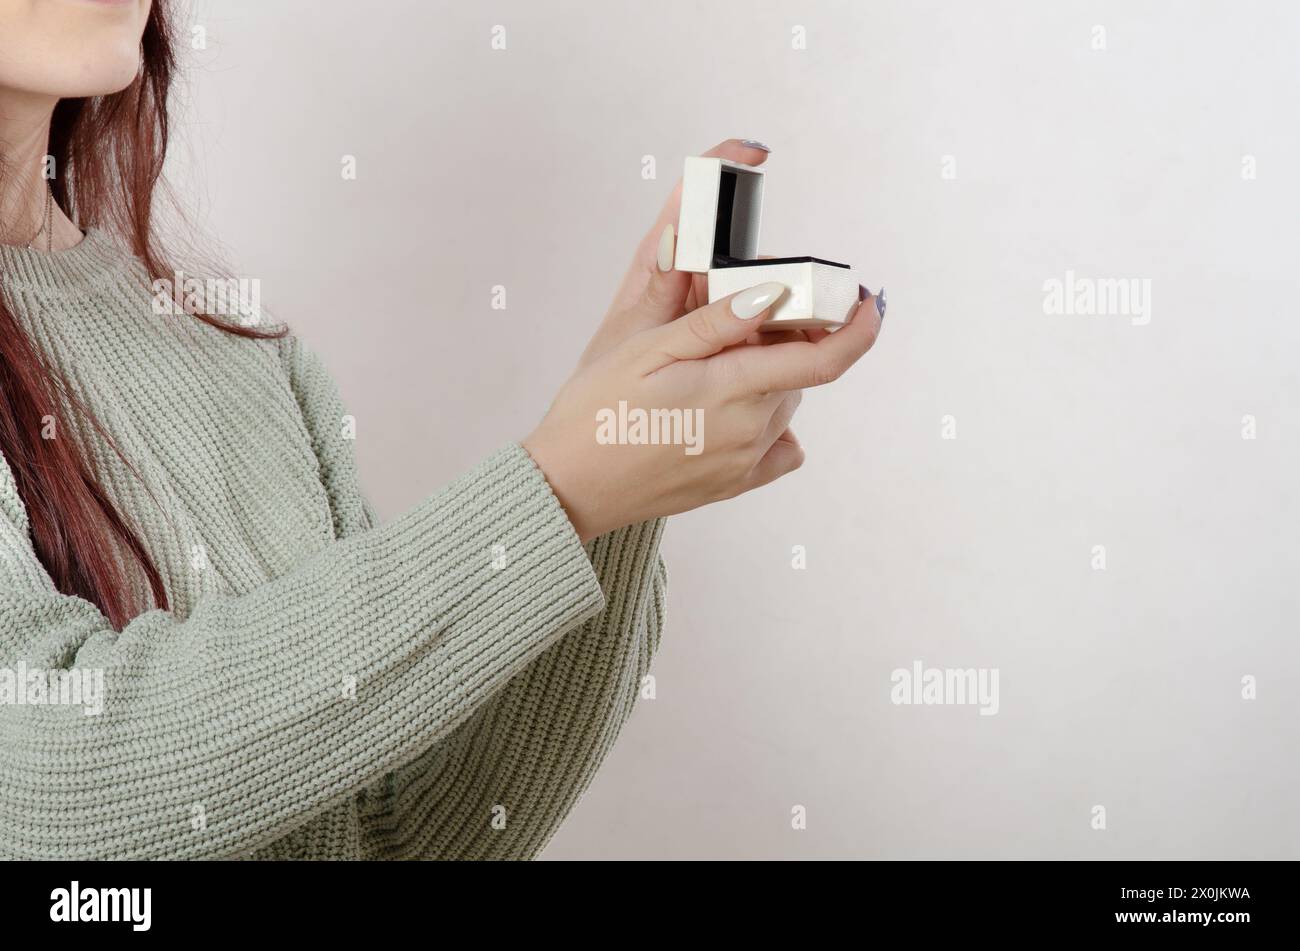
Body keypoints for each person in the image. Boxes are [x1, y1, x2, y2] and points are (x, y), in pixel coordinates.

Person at [0, 0, 884, 859]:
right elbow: (42, 783)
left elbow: (400, 833)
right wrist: (558, 488)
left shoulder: (250, 363)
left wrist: (615, 489)